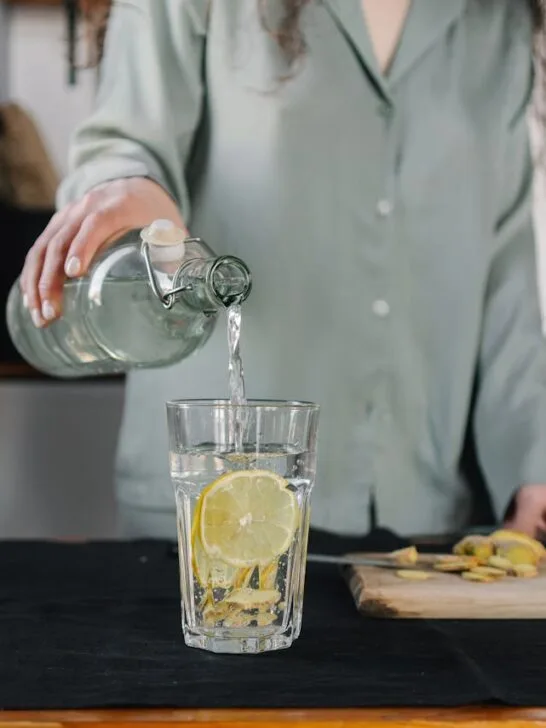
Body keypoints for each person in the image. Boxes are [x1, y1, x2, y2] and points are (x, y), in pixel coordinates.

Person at [18, 0, 546, 540]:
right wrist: (131, 192)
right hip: (217, 510)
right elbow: (127, 144)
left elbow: (506, 278)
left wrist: (535, 468)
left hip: (419, 523)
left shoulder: (496, 18)